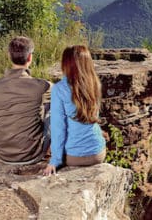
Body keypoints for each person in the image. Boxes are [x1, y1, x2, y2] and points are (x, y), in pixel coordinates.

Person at [43, 45, 106, 176]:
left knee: (49, 118)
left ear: (65, 65)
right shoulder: (95, 84)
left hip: (74, 157)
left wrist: (55, 161)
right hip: (98, 152)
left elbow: (58, 128)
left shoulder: (60, 89)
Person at [0, 36, 51, 165]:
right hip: (31, 155)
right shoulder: (40, 85)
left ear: (9, 56)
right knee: (55, 108)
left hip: (3, 154)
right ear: (30, 58)